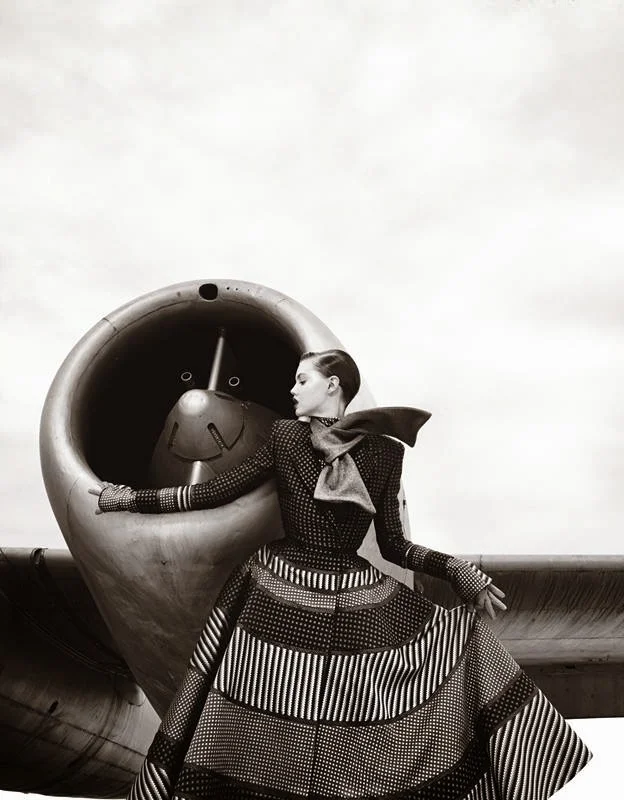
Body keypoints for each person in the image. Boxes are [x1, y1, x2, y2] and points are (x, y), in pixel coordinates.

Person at [92, 349, 591, 800]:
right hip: (275, 593)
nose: (291, 390)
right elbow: (213, 491)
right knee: (246, 729)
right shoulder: (285, 437)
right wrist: (129, 499)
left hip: (355, 600)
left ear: (333, 385)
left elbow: (394, 546)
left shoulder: (385, 453)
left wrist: (458, 569)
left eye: (301, 380)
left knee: (369, 730)